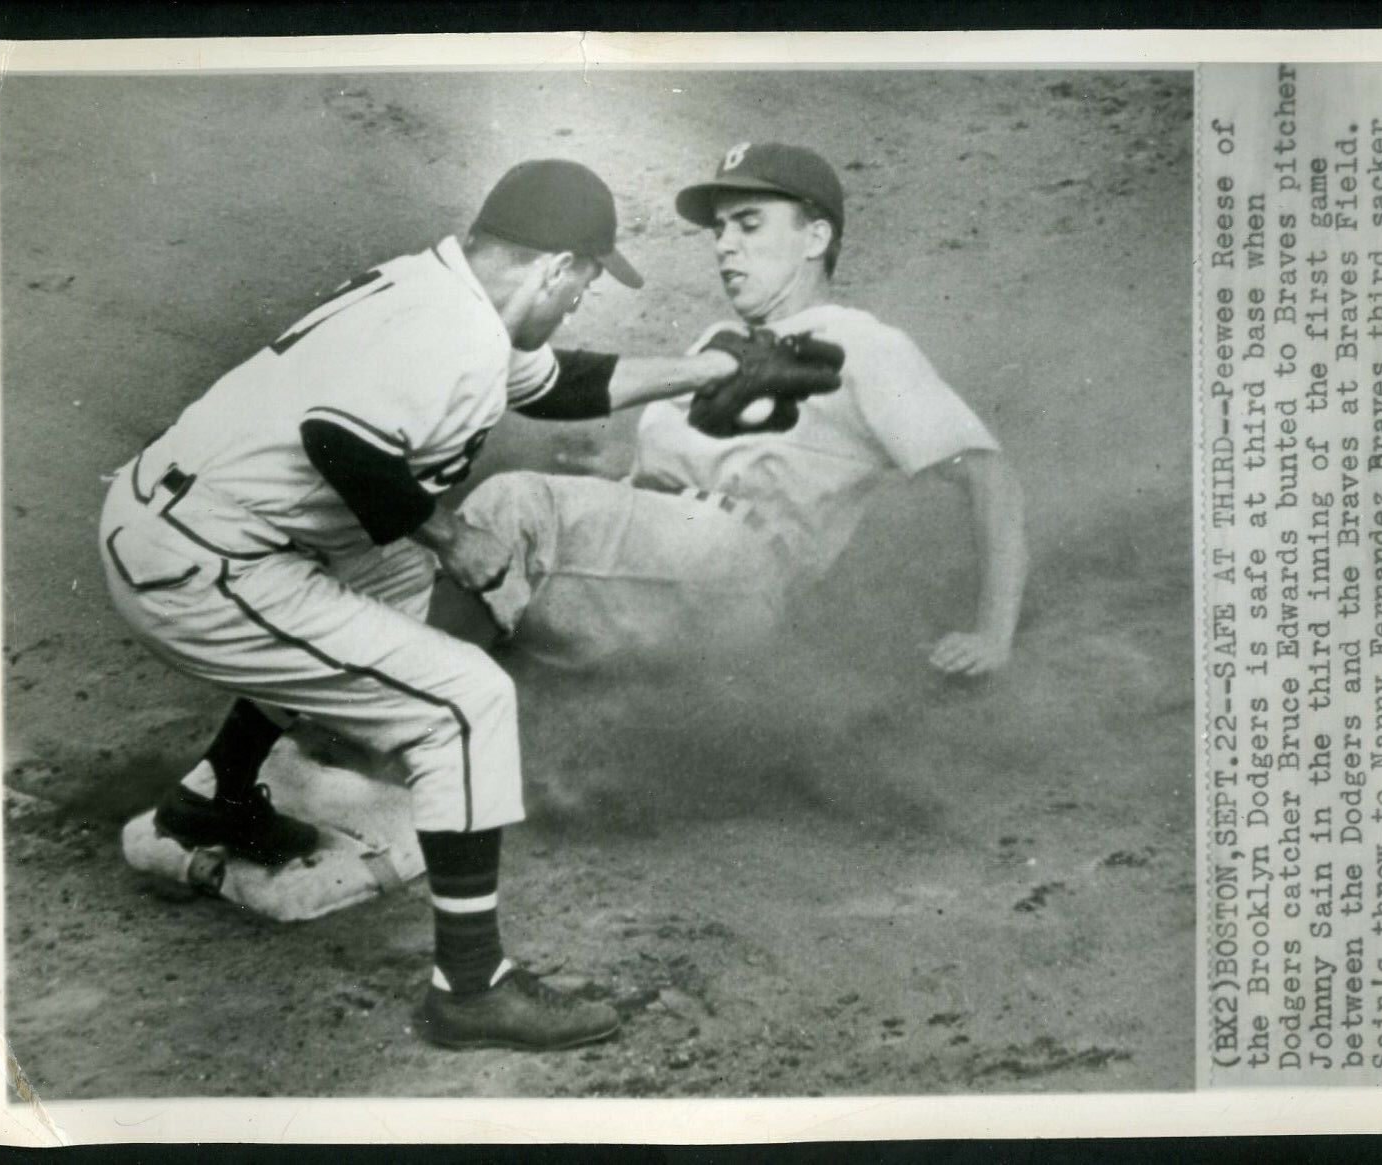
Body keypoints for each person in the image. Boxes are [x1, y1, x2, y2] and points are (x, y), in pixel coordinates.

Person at [98, 159, 833, 1052]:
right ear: (555, 267)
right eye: (587, 279)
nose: (582, 299)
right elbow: (337, 442)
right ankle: (471, 988)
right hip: (200, 567)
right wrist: (452, 534)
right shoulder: (447, 333)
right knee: (466, 698)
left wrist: (704, 368)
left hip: (201, 527)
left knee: (400, 597)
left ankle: (211, 798)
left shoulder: (446, 290)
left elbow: (557, 381)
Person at [453, 142, 1028, 678]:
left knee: (513, 510)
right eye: (722, 229)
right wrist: (615, 466)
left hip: (738, 565)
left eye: (750, 224)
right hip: (665, 565)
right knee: (477, 588)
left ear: (816, 238)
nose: (726, 244)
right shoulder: (717, 339)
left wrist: (992, 633)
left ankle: (393, 702)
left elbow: (989, 479)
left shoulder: (861, 341)